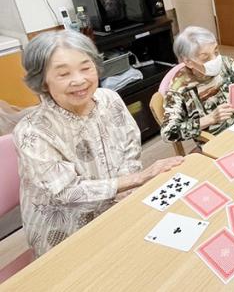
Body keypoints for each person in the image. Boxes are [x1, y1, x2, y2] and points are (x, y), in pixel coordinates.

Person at [13, 31, 183, 257]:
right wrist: (136, 179)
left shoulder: (109, 98)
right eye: (63, 74)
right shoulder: (32, 131)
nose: (79, 80)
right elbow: (66, 192)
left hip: (119, 205)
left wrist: (126, 187)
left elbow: (130, 146)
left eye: (86, 68)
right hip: (67, 230)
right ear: (42, 81)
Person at [161, 26, 234, 142]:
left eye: (216, 52)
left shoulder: (224, 63)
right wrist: (210, 119)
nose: (215, 59)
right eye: (205, 58)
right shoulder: (179, 88)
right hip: (219, 139)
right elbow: (168, 132)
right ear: (188, 61)